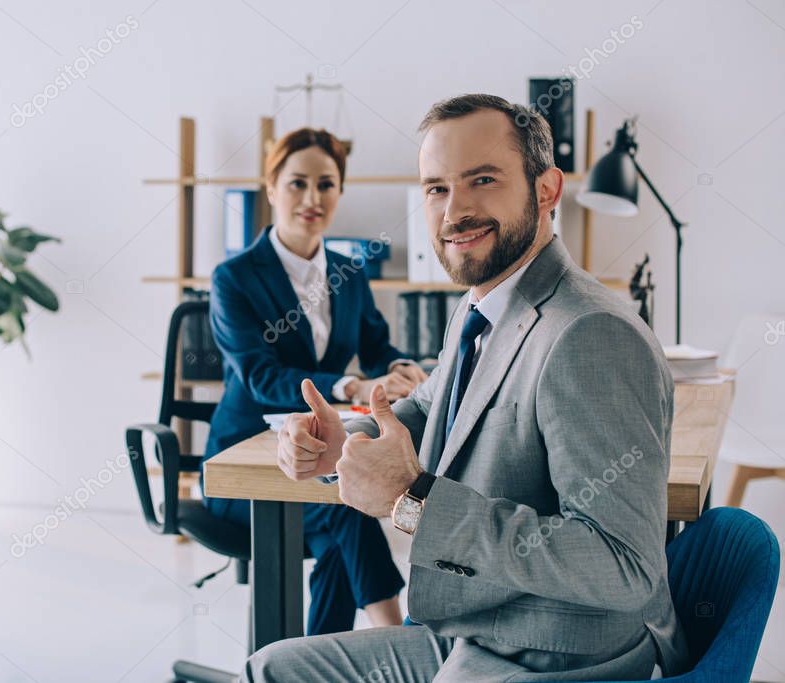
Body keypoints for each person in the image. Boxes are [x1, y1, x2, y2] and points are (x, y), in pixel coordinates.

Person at [245, 95, 688, 681]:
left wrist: (414, 501)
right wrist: (343, 443)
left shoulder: (590, 334)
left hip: (558, 653)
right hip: (473, 629)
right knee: (271, 669)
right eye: (436, 188)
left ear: (547, 189)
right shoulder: (481, 305)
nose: (454, 211)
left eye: (482, 179)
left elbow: (622, 565)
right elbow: (429, 409)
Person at [204, 127, 427, 635]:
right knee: (345, 509)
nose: (312, 198)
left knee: (339, 536)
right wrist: (349, 387)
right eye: (298, 183)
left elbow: (378, 349)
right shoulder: (234, 277)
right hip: (245, 464)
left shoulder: (349, 272)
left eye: (326, 185)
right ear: (271, 188)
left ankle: (315, 663)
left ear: (340, 192)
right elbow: (262, 376)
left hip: (314, 459)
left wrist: (398, 369)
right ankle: (394, 640)